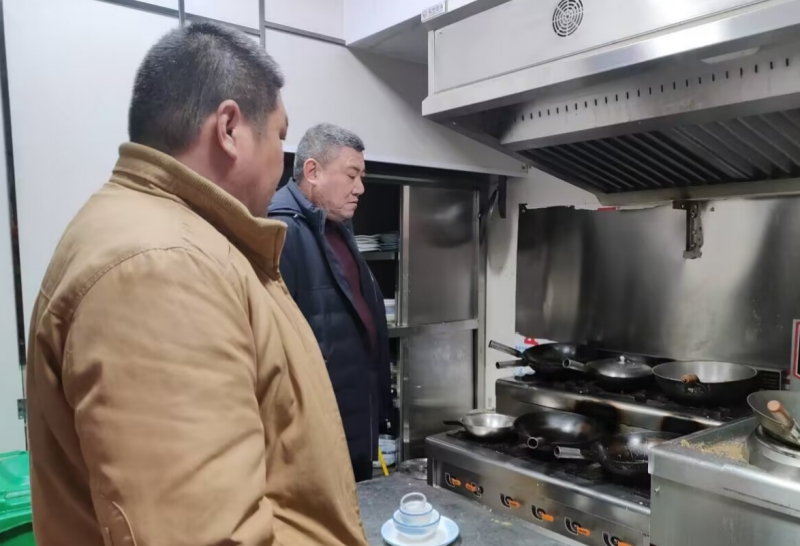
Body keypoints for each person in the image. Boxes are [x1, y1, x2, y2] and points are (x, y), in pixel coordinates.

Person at [25, 23, 367, 546]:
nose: (282, 163)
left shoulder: (172, 241)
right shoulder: (162, 268)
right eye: (280, 137)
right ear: (229, 129)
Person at [269, 123, 391, 482]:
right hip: (313, 441)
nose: (361, 188)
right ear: (313, 171)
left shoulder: (336, 226)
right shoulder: (281, 232)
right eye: (352, 175)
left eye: (362, 177)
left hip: (351, 423)